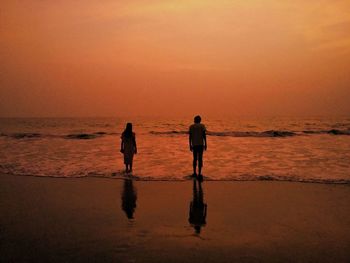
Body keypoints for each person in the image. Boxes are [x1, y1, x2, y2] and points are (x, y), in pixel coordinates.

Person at [189, 115, 207, 180]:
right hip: (200, 144)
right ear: (200, 120)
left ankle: (194, 173)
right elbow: (204, 136)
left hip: (194, 144)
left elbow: (190, 137)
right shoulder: (202, 126)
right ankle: (199, 173)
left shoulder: (191, 126)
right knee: (200, 159)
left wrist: (190, 145)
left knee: (194, 159)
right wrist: (206, 144)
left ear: (195, 120)